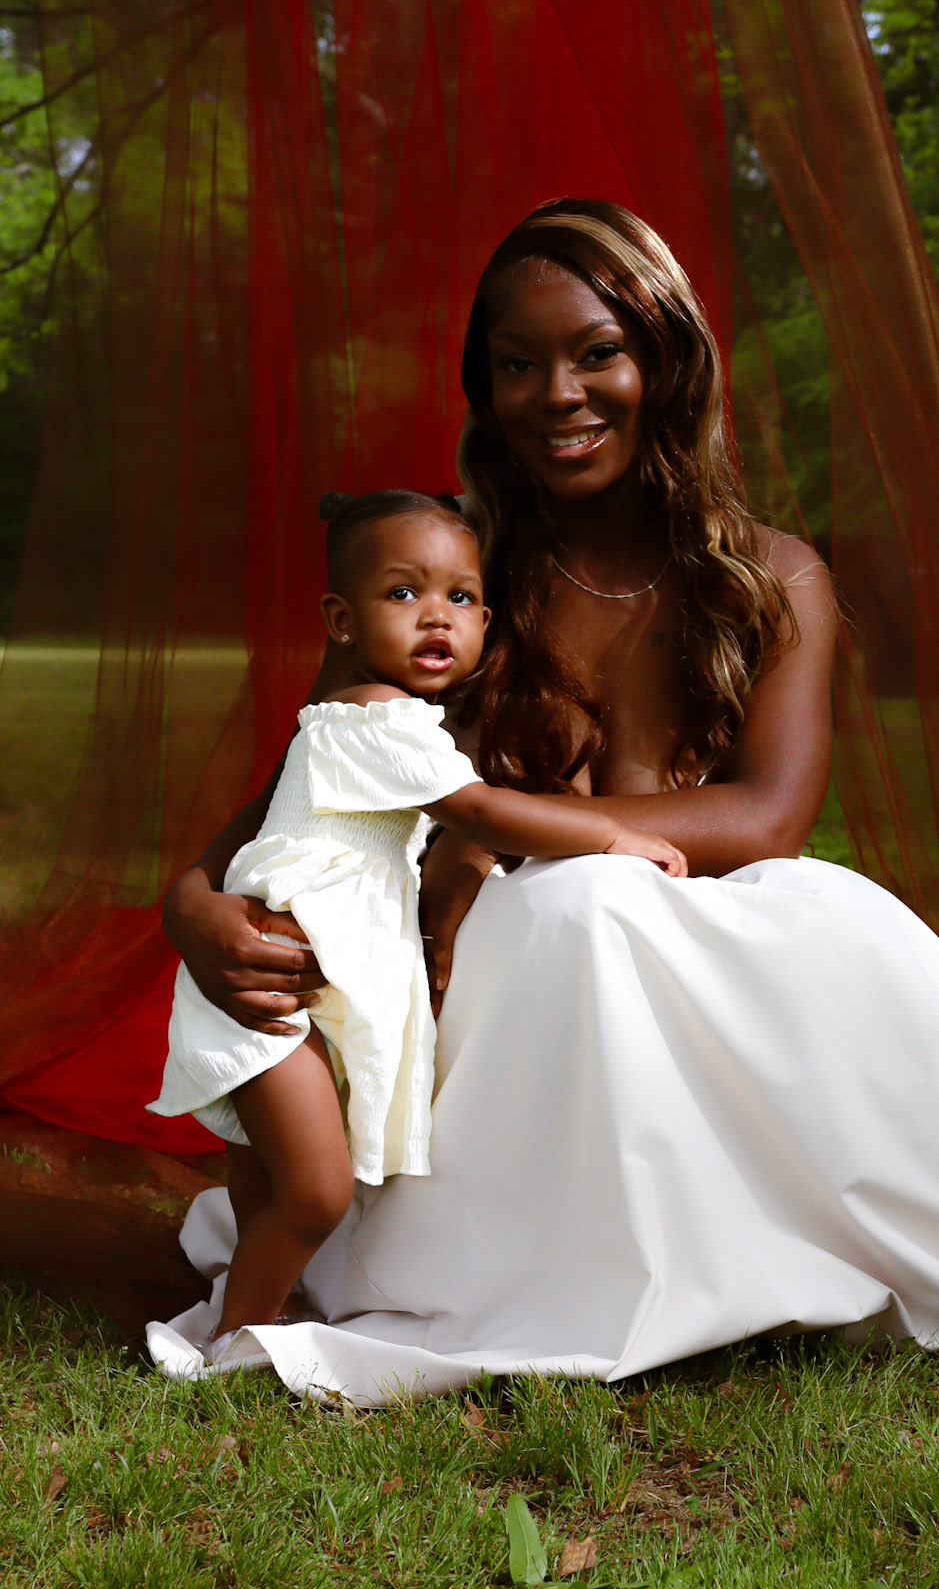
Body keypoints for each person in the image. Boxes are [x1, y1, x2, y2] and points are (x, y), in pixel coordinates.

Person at [148, 200, 939, 1401]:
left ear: (667, 358)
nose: (558, 392)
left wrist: (557, 835)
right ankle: (567, 1267)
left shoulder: (772, 572)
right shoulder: (449, 574)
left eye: (598, 352)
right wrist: (193, 907)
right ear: (484, 389)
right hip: (513, 944)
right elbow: (302, 782)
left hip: (704, 917)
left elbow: (768, 819)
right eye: (517, 363)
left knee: (836, 911)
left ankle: (875, 1228)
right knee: (579, 910)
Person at [149, 485, 682, 1370]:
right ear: (342, 619)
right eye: (403, 593)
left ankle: (262, 1297)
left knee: (264, 1174)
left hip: (299, 984)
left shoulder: (360, 714)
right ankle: (234, 1339)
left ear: (485, 620)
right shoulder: (374, 715)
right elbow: (479, 809)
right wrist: (612, 833)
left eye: (461, 597)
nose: (437, 615)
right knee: (315, 1190)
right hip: (272, 986)